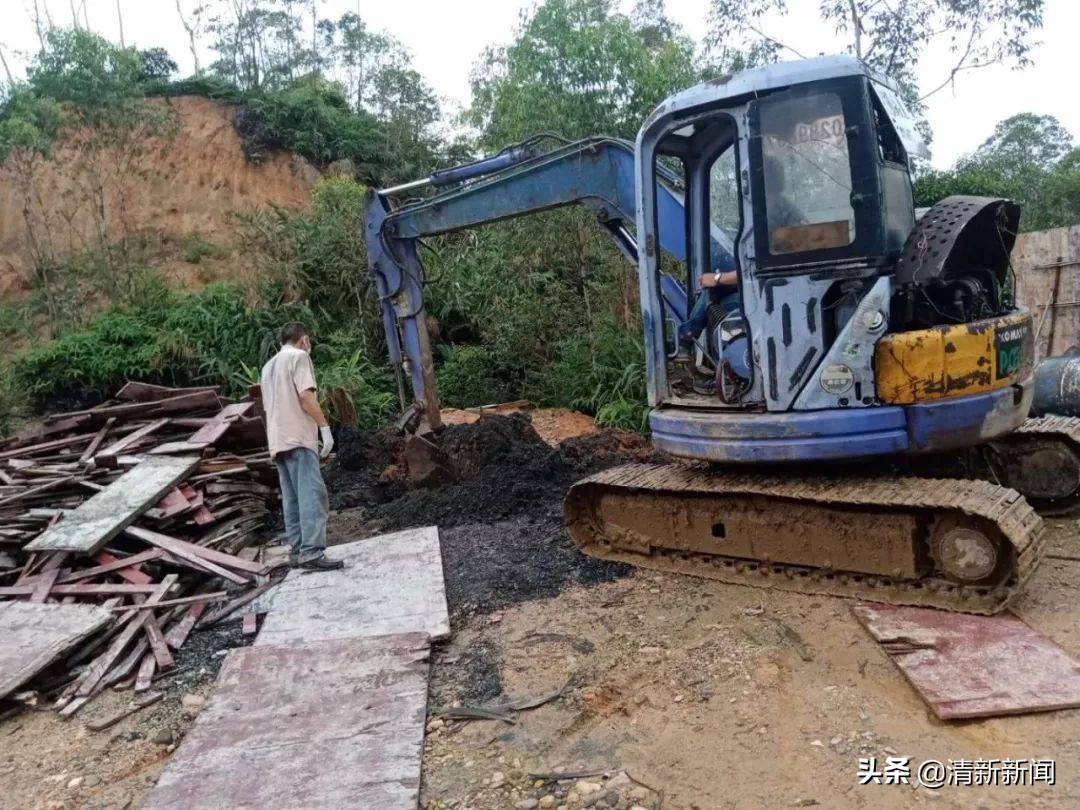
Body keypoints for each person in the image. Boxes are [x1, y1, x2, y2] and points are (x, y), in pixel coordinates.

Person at [260, 323, 343, 571]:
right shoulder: (299, 357)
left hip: (278, 439)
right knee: (311, 494)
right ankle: (312, 551)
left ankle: (297, 551)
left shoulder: (268, 366)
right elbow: (306, 396)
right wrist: (324, 428)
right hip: (298, 437)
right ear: (303, 340)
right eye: (308, 341)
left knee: (292, 498)